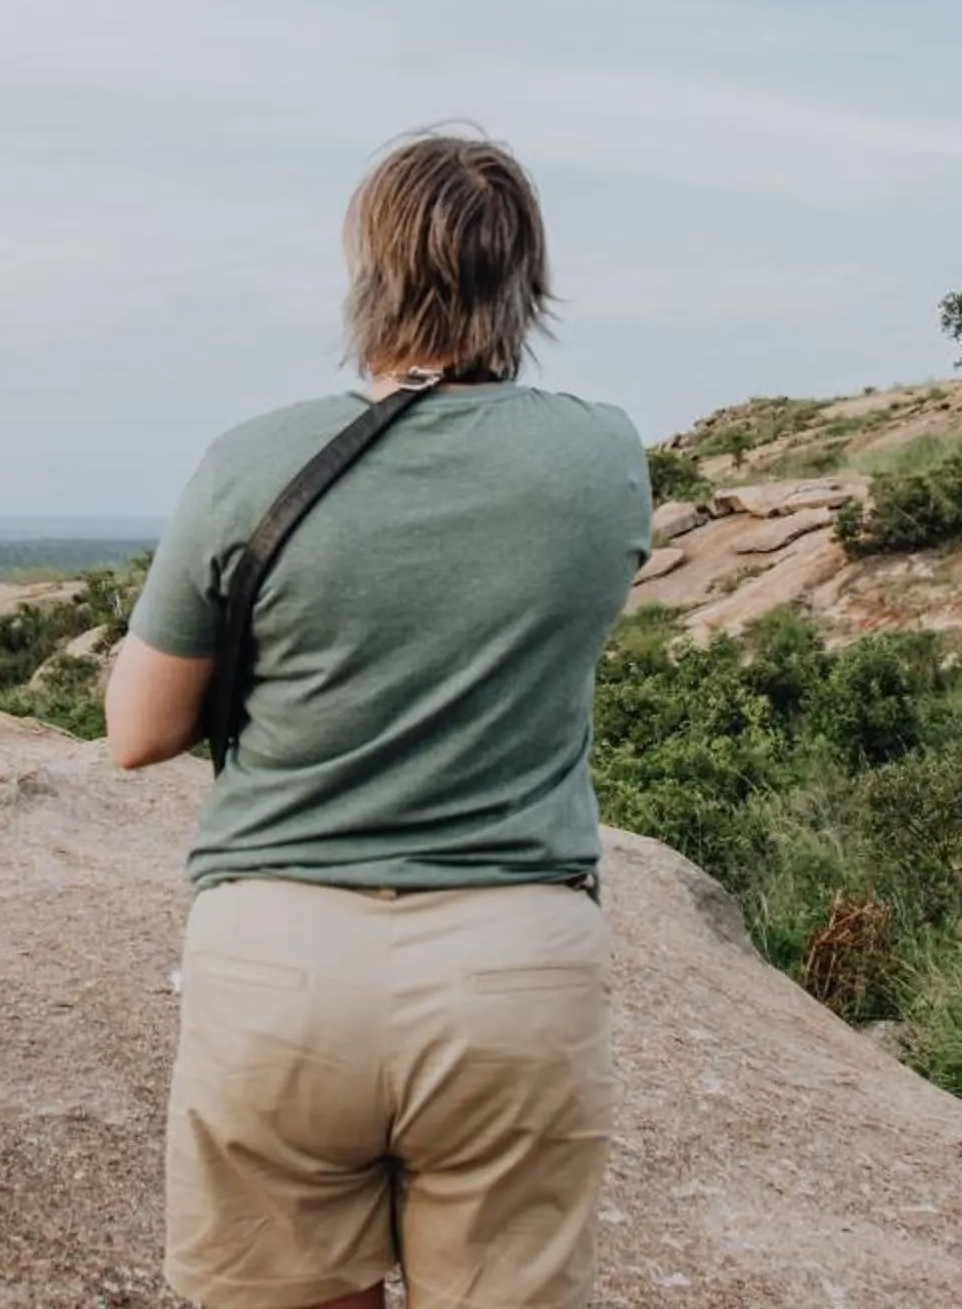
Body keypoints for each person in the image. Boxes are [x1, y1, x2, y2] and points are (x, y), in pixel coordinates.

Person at [105, 132, 650, 1309]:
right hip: (514, 963)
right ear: (526, 277)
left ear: (370, 268)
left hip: (280, 959)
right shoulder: (600, 458)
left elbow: (138, 730)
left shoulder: (250, 461)